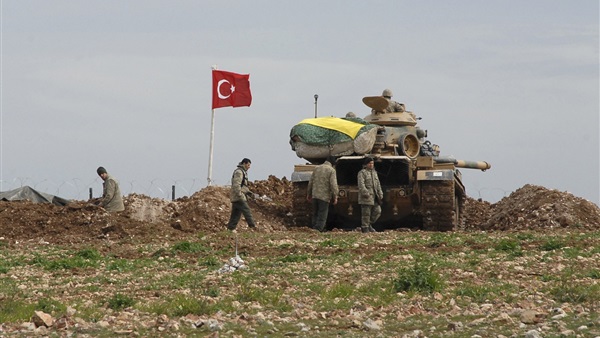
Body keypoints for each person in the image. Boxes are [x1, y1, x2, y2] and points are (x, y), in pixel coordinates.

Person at [307, 156, 339, 232]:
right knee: (322, 214)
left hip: (315, 195)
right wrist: (335, 196)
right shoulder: (331, 170)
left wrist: (309, 194)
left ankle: (314, 227)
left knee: (315, 213)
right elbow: (333, 184)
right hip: (324, 196)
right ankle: (318, 230)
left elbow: (310, 182)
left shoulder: (316, 168)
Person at [227, 158, 256, 230]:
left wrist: (249, 193)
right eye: (248, 165)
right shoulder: (239, 172)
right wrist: (240, 194)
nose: (249, 167)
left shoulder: (243, 172)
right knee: (247, 211)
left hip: (237, 197)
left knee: (235, 215)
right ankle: (253, 227)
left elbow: (243, 186)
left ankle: (230, 229)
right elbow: (237, 185)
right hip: (239, 197)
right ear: (244, 164)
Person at [357, 157, 383, 233]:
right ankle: (365, 228)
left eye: (372, 163)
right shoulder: (362, 173)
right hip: (366, 197)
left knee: (377, 211)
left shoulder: (374, 173)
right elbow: (361, 184)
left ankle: (369, 224)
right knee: (366, 213)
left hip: (374, 196)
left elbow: (378, 184)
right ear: (366, 164)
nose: (371, 165)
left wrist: (380, 193)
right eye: (370, 163)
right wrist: (366, 193)